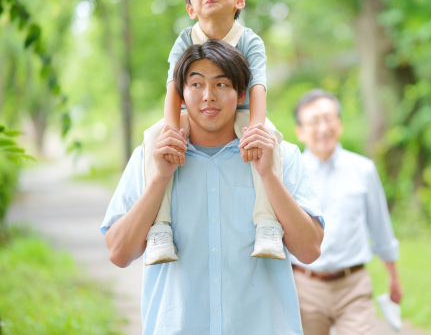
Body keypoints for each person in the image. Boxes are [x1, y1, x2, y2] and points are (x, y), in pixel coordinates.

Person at [101, 40, 324, 335]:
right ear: (181, 94)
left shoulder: (281, 155)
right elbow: (118, 252)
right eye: (196, 84)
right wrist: (159, 180)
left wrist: (268, 175)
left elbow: (310, 250)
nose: (208, 96)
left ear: (241, 93)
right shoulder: (149, 158)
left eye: (221, 84)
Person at [142, 0, 287, 265]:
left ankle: (267, 224)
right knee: (154, 136)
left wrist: (257, 128)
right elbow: (173, 88)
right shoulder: (185, 39)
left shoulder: (249, 40)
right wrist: (171, 130)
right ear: (190, 8)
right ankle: (159, 228)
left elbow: (258, 86)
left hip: (243, 111)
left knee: (269, 137)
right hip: (195, 114)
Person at [291, 89, 402, 335]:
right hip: (303, 288)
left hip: (353, 286)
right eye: (313, 122)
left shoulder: (363, 169)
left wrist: (393, 277)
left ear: (339, 123)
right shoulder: (289, 173)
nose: (323, 128)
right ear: (300, 131)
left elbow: (380, 226)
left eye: (329, 118)